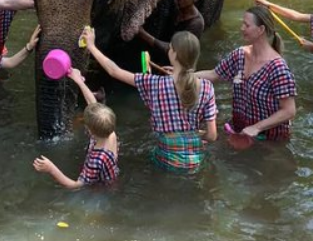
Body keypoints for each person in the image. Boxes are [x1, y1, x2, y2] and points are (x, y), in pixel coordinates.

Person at [84, 27, 218, 173]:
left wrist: (91, 46)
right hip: (195, 163)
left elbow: (114, 71)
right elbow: (212, 136)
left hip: (167, 162)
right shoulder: (207, 87)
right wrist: (191, 135)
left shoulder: (155, 83)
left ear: (173, 54)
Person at [196, 6, 297, 141]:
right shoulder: (240, 55)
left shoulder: (278, 68)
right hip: (240, 130)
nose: (241, 28)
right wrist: (184, 75)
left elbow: (289, 111)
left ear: (261, 30)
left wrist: (257, 127)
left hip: (268, 138)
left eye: (246, 25)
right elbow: (214, 74)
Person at [33, 68, 119, 189]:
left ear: (90, 130)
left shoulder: (95, 160)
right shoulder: (111, 134)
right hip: (111, 177)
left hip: (99, 189)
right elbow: (93, 104)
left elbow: (76, 185)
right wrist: (79, 81)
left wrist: (51, 169)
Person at [137, 0, 205, 62]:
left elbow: (174, 50)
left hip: (175, 64)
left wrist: (143, 34)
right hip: (158, 56)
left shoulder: (196, 23)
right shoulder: (175, 7)